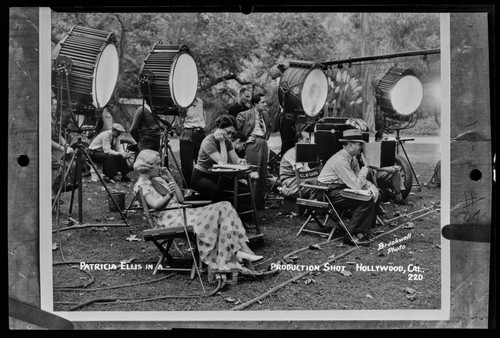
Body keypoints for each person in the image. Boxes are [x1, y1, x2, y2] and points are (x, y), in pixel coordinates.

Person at [133, 149, 263, 272]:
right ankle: (235, 252)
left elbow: (181, 199)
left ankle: (242, 248)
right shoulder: (141, 186)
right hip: (169, 219)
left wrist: (170, 178)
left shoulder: (159, 179)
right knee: (219, 211)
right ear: (147, 167)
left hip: (182, 213)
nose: (160, 167)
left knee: (225, 205)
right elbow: (156, 205)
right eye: (157, 164)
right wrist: (168, 195)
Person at [317, 129, 380, 246]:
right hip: (327, 193)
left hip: (340, 189)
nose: (361, 147)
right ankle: (351, 235)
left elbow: (358, 179)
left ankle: (363, 231)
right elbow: (356, 184)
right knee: (366, 199)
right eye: (359, 144)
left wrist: (371, 186)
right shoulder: (340, 160)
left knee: (376, 193)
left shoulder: (352, 158)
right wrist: (366, 167)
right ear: (350, 145)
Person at [190, 115, 247, 201]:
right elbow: (222, 163)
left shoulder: (226, 140)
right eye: (228, 132)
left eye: (232, 133)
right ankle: (213, 212)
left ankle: (239, 213)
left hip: (217, 176)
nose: (230, 136)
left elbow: (235, 159)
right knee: (216, 190)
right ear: (220, 129)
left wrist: (240, 161)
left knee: (243, 188)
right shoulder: (208, 141)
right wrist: (222, 142)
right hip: (201, 176)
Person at [236, 93, 272, 210]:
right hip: (252, 143)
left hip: (263, 142)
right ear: (255, 103)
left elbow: (269, 127)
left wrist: (266, 136)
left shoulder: (265, 115)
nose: (265, 104)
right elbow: (235, 129)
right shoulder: (245, 114)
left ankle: (259, 203)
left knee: (262, 172)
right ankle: (249, 204)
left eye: (266, 102)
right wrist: (246, 139)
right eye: (263, 102)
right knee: (252, 172)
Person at [177, 97, 206, 188]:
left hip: (200, 133)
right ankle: (187, 190)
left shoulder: (200, 101)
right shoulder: (182, 101)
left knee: (201, 163)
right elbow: (179, 121)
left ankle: (199, 188)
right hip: (187, 134)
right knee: (187, 167)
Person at [278, 131, 315, 198]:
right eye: (307, 139)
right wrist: (316, 182)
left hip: (297, 180)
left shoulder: (302, 152)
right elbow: (301, 173)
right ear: (299, 140)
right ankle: (310, 206)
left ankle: (310, 206)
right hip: (290, 184)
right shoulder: (292, 153)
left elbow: (306, 169)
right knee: (317, 188)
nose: (309, 142)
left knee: (317, 186)